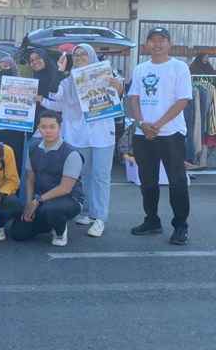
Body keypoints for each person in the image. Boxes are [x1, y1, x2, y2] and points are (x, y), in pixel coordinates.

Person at [39, 44, 122, 237]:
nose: (79, 57)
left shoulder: (106, 74)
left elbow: (118, 93)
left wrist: (117, 86)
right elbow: (57, 99)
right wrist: (42, 98)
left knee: (101, 176)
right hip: (77, 134)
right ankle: (87, 212)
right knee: (82, 175)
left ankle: (100, 217)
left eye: (84, 53)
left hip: (102, 134)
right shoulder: (67, 81)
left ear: (92, 56)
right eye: (76, 54)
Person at [127, 27, 193, 245]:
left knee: (177, 182)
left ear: (169, 43)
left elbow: (182, 100)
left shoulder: (179, 67)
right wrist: (142, 123)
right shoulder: (140, 68)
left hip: (171, 133)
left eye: (162, 40)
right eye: (153, 40)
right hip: (143, 134)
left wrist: (157, 124)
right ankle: (152, 220)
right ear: (147, 44)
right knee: (147, 182)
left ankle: (181, 226)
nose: (157, 44)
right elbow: (134, 98)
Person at [10, 110, 83, 247]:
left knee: (52, 210)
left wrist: (37, 201)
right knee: (18, 233)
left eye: (52, 127)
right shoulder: (32, 148)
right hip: (41, 199)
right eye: (43, 127)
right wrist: (29, 203)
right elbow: (30, 179)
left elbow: (65, 188)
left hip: (69, 199)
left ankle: (60, 230)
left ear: (59, 128)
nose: (48, 131)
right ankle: (48, 224)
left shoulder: (71, 153)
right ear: (38, 128)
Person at [0, 55, 25, 170]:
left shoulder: (22, 82)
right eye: (1, 65)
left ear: (12, 66)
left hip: (16, 128)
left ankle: (14, 185)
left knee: (15, 157)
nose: (4, 68)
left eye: (7, 65)